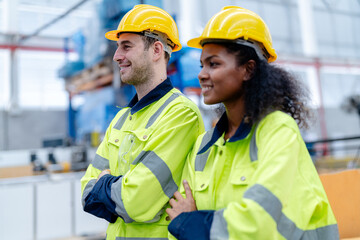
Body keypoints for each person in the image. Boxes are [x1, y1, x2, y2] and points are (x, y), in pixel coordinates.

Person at [166, 6, 339, 240]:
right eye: (202, 65)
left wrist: (191, 220)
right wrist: (187, 222)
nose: (202, 74)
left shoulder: (277, 129)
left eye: (214, 64)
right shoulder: (203, 146)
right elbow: (175, 219)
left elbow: (256, 221)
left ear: (248, 69)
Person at [80, 4, 205, 240]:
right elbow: (87, 192)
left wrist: (104, 182)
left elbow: (136, 201)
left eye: (126, 46)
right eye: (118, 47)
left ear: (156, 49)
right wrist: (116, 188)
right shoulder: (120, 119)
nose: (117, 56)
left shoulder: (180, 114)